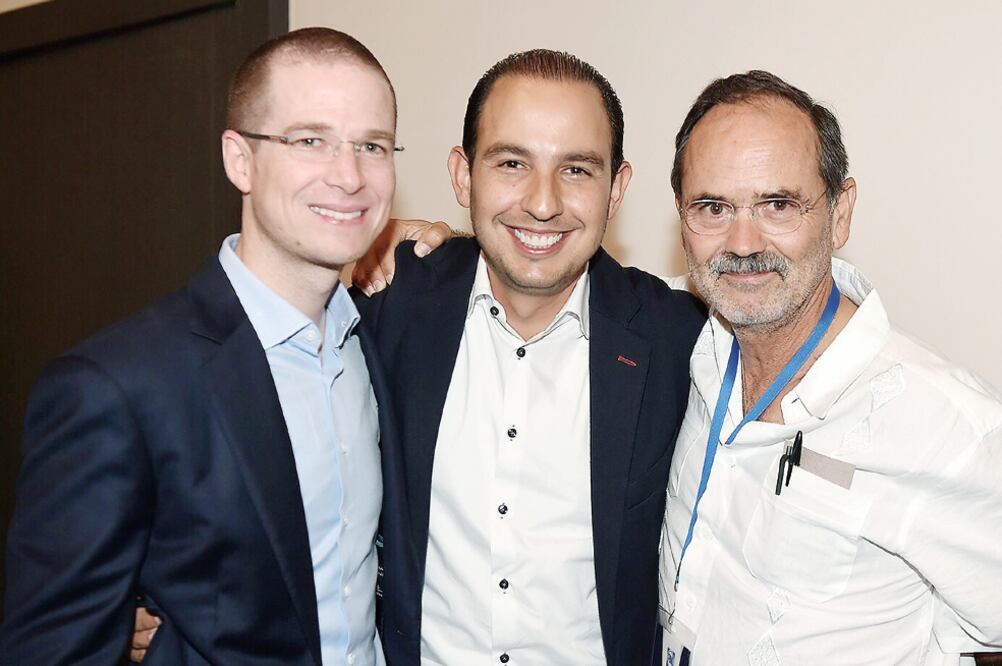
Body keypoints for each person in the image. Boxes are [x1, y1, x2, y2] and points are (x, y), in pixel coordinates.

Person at [1, 27, 408, 665]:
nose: (350, 175)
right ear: (239, 159)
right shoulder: (117, 385)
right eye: (310, 140)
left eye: (372, 145)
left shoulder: (374, 339)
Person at [358, 50, 705, 665]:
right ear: (463, 176)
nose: (542, 203)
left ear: (616, 188)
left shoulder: (681, 340)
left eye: (576, 169)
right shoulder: (388, 301)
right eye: (512, 163)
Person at [658, 70, 1002, 665]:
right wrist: (452, 251)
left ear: (840, 213)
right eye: (712, 207)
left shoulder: (944, 426)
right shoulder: (690, 345)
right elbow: (563, 285)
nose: (742, 243)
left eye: (778, 205)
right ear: (683, 221)